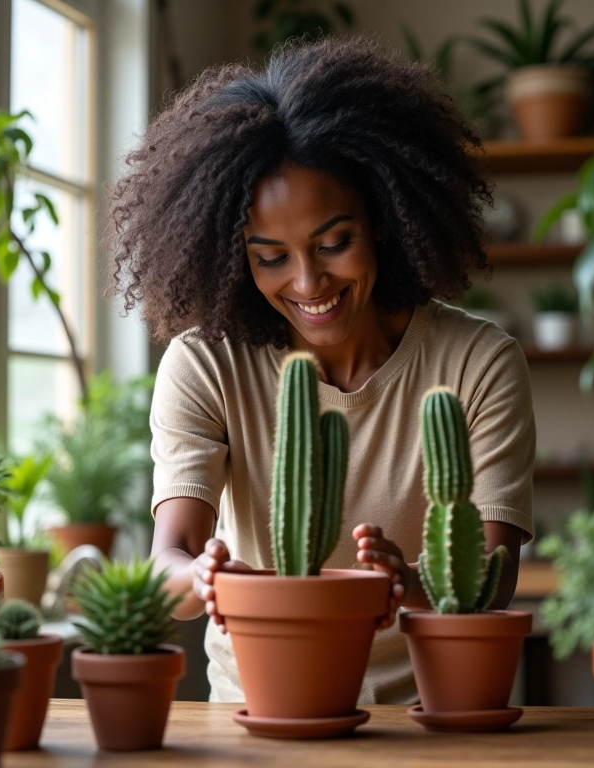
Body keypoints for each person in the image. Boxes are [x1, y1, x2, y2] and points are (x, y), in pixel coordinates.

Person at [107, 36, 535, 705]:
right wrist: (203, 577)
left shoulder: (478, 362)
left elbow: (496, 572)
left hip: (426, 718)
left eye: (334, 243)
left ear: (385, 222)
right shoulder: (203, 365)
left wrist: (410, 582)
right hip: (256, 715)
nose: (308, 282)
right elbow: (170, 557)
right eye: (270, 255)